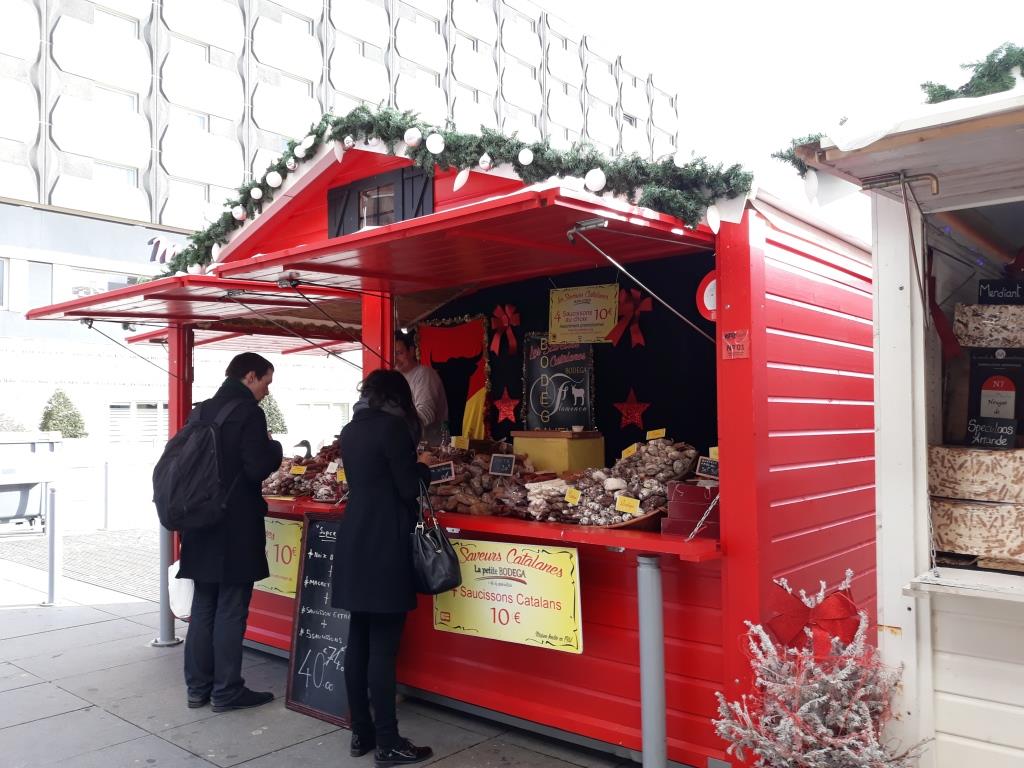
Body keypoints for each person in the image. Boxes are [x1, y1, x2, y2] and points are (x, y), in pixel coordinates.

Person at [331, 369, 433, 766]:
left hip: (355, 537)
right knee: (383, 649)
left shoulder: (351, 429)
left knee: (357, 640)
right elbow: (408, 488)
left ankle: (362, 733)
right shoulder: (393, 430)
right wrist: (423, 466)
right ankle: (389, 742)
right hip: (385, 541)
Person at [178, 352, 283, 713]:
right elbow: (256, 468)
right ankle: (226, 690)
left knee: (204, 604)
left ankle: (198, 688)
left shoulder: (200, 410)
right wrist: (275, 448)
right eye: (266, 382)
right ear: (250, 376)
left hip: (199, 522)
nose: (267, 392)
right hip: (234, 524)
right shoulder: (248, 413)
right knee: (232, 608)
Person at [393, 330, 448, 446]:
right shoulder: (394, 375)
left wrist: (394, 426)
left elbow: (426, 414)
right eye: (392, 354)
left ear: (412, 351)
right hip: (407, 443)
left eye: (399, 353)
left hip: (431, 446)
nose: (395, 359)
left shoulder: (424, 374)